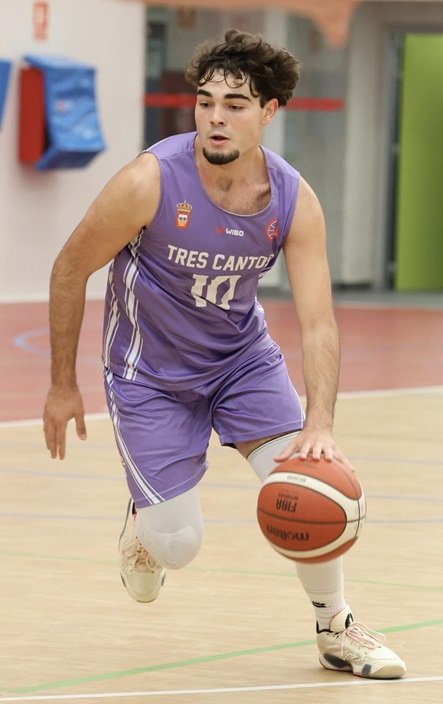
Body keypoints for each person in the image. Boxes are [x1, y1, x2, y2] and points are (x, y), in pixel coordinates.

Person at [43, 29, 406, 679]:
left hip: (241, 362)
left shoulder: (293, 198)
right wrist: (61, 384)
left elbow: (318, 322)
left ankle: (336, 627)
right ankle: (146, 519)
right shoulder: (150, 181)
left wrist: (320, 425)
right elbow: (70, 268)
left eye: (235, 104)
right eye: (206, 101)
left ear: (269, 111)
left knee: (310, 481)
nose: (215, 116)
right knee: (178, 545)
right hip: (149, 375)